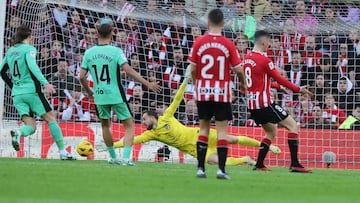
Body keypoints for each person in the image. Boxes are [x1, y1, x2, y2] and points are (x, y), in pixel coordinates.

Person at [98, 76, 281, 166]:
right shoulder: (151, 134)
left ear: (153, 116)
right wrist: (112, 146)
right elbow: (131, 140)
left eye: (145, 119)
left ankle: (266, 146)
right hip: (194, 150)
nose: (143, 122)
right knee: (216, 162)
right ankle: (246, 159)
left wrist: (185, 81)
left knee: (232, 139)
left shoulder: (166, 117)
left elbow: (177, 99)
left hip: (200, 135)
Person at [79, 22, 161, 166]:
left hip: (99, 95)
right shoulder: (116, 51)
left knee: (105, 126)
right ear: (112, 35)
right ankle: (126, 159)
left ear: (97, 35)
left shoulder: (88, 53)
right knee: (129, 126)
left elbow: (81, 76)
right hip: (116, 94)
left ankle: (112, 157)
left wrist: (89, 91)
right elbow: (128, 70)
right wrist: (147, 84)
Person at [0, 25, 76, 160]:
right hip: (32, 91)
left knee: (31, 126)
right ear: (28, 36)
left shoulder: (10, 51)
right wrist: (45, 83)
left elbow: (2, 71)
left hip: (17, 94)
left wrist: (13, 86)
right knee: (51, 119)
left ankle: (19, 132)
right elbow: (32, 66)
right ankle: (63, 152)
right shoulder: (29, 49)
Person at [188, 9, 246, 179]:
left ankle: (200, 169)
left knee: (203, 129)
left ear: (208, 22)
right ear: (222, 23)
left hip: (203, 91)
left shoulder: (199, 42)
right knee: (222, 131)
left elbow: (192, 68)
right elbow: (238, 69)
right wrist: (243, 84)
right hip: (222, 92)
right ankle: (221, 170)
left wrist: (197, 82)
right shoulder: (228, 44)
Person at [242, 30, 312, 173]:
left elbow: (257, 81)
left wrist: (276, 87)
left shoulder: (247, 58)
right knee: (293, 126)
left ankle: (259, 164)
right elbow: (280, 78)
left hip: (252, 105)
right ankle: (295, 164)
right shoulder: (265, 60)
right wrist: (298, 89)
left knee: (271, 132)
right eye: (269, 41)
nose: (270, 44)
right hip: (265, 104)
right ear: (263, 42)